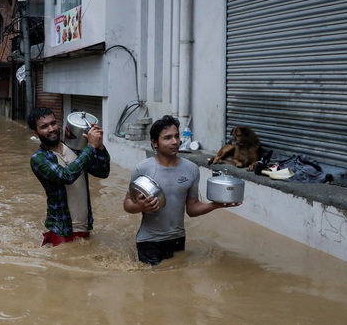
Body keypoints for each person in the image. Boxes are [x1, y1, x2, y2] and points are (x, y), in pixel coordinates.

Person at [123, 115, 241, 265]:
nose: (175, 142)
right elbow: (127, 203)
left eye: (176, 136)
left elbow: (192, 208)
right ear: (154, 143)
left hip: (177, 238)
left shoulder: (191, 170)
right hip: (149, 240)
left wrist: (216, 205)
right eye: (167, 138)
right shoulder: (143, 169)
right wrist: (139, 206)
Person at [28, 107, 111, 247]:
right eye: (44, 126)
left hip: (85, 227)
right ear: (35, 133)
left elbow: (103, 172)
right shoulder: (39, 159)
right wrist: (90, 147)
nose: (51, 129)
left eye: (53, 123)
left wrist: (100, 147)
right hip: (61, 231)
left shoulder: (76, 149)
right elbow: (66, 175)